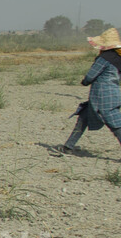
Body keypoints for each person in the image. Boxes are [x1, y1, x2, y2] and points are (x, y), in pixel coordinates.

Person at [51, 27, 121, 157]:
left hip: (102, 96)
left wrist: (84, 82)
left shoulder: (104, 58)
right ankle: (68, 146)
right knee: (83, 117)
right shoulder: (118, 58)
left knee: (116, 125)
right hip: (113, 95)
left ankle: (68, 147)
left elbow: (90, 76)